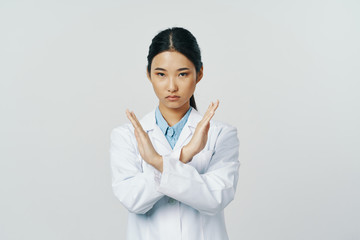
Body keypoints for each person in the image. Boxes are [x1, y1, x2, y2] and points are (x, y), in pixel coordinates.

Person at [110, 27, 240, 240]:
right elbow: (132, 199)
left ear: (199, 74)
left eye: (182, 74)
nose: (171, 86)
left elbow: (216, 198)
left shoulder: (221, 134)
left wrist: (157, 162)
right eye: (161, 74)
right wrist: (184, 155)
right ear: (148, 74)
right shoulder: (125, 136)